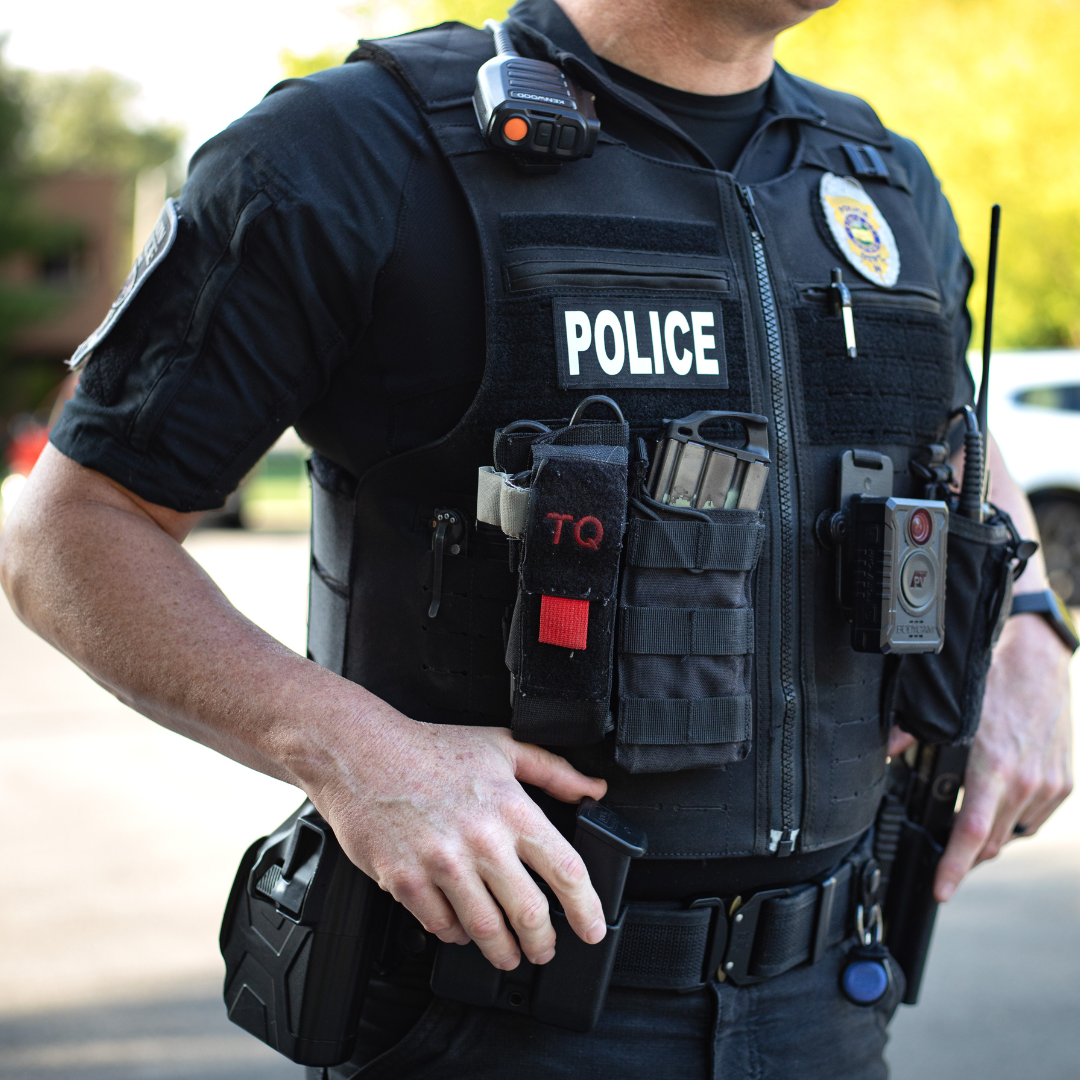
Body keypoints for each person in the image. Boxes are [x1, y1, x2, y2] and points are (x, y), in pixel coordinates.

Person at [0, 0, 1073, 1076]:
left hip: (828, 1000)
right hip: (495, 1006)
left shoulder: (883, 178)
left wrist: (1030, 630)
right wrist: (353, 752)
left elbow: (957, 447)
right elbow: (68, 532)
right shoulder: (353, 149)